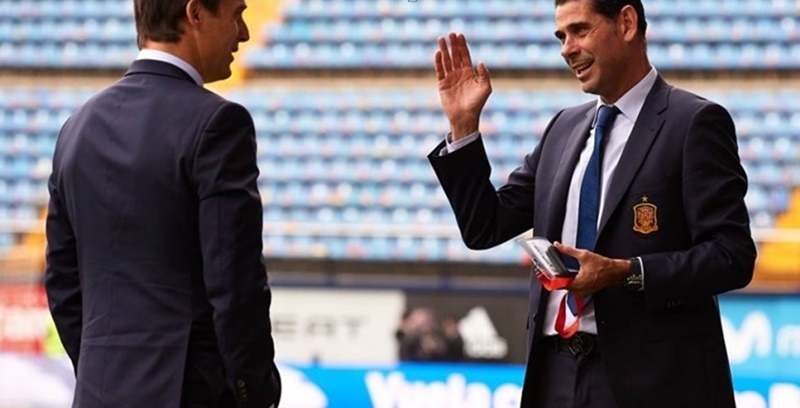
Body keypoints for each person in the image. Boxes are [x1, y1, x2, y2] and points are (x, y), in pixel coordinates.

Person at [428, 1, 756, 407]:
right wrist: (463, 127)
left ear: (627, 23)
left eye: (580, 30)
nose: (567, 48)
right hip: (554, 375)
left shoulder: (694, 122)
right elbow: (485, 227)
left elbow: (732, 256)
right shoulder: (563, 128)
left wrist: (626, 273)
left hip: (651, 383)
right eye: (561, 36)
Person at [44, 0, 281, 407]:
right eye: (236, 14)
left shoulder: (76, 127)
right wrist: (253, 392)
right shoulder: (218, 123)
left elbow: (63, 285)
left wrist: (106, 376)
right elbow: (235, 282)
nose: (243, 33)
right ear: (195, 13)